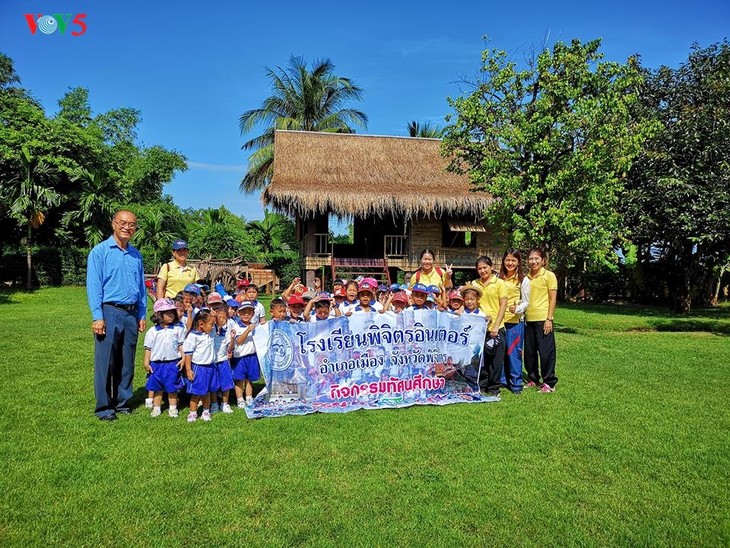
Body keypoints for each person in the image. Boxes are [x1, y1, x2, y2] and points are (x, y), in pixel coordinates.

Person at [86, 210, 147, 421]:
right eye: (123, 223)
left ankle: (122, 402)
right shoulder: (100, 252)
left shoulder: (135, 255)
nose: (127, 227)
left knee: (127, 360)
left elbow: (141, 286)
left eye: (132, 224)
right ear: (113, 224)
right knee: (106, 361)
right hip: (109, 311)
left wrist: (142, 313)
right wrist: (97, 316)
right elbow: (94, 286)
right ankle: (104, 407)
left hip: (131, 313)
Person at [472, 256, 508, 397]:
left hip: (496, 328)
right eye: (479, 268)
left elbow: (503, 305)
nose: (482, 271)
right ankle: (483, 384)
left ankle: (494, 387)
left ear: (491, 267)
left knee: (496, 360)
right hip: (480, 328)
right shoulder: (475, 283)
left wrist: (496, 325)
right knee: (481, 359)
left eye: (485, 267)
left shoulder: (499, 283)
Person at [524, 248, 558, 393]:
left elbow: (552, 298)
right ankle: (533, 379)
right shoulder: (526, 278)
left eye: (537, 258)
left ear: (543, 260)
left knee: (546, 353)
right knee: (530, 353)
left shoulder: (549, 276)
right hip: (528, 319)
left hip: (543, 319)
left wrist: (549, 319)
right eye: (531, 259)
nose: (534, 261)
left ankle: (549, 382)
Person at [143, 298, 185, 418]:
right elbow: (148, 349)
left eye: (172, 312)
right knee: (157, 388)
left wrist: (182, 358)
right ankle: (156, 408)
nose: (171, 315)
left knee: (172, 388)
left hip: (172, 363)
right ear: (159, 315)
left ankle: (173, 408)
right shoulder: (152, 332)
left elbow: (181, 345)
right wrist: (146, 363)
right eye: (167, 313)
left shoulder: (177, 330)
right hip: (156, 364)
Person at [499, 249, 531, 394]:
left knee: (513, 353)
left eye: (513, 260)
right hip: (499, 321)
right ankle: (502, 380)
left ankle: (516, 384)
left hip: (514, 321)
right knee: (500, 353)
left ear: (518, 262)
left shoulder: (523, 280)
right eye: (507, 260)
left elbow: (526, 301)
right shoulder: (498, 279)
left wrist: (517, 309)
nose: (510, 263)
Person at [183, 309, 216, 422]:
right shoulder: (193, 336)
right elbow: (188, 354)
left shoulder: (210, 333)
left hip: (210, 367)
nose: (213, 327)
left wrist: (213, 315)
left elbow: (219, 324)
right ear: (201, 324)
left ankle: (206, 411)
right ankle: (193, 413)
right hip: (199, 368)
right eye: (211, 324)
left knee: (206, 391)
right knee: (196, 393)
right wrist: (188, 369)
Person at [230, 301, 260, 407]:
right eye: (243, 312)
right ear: (238, 313)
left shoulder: (255, 325)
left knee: (249, 379)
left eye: (249, 312)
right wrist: (248, 330)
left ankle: (249, 397)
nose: (246, 314)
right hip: (240, 357)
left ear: (253, 313)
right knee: (239, 379)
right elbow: (238, 341)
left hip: (252, 356)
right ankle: (240, 399)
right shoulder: (236, 326)